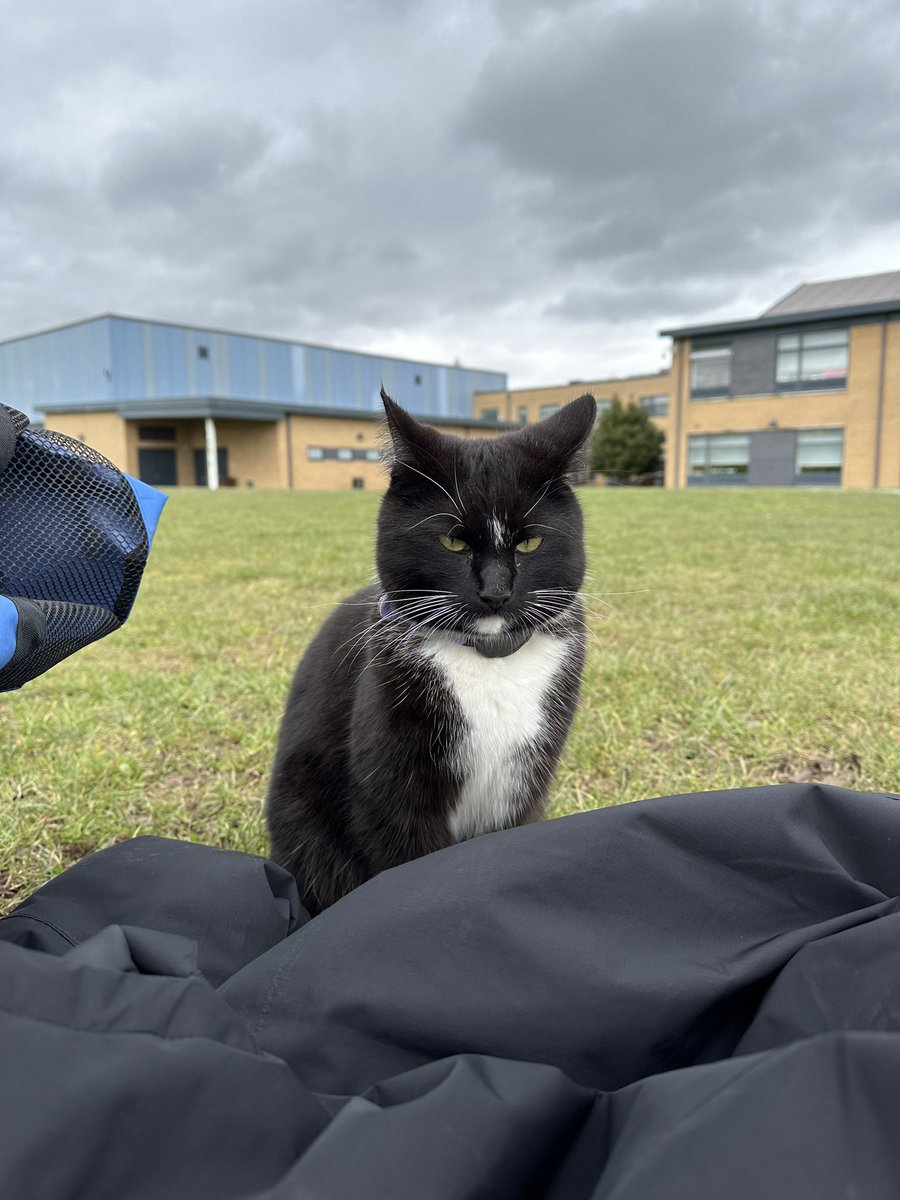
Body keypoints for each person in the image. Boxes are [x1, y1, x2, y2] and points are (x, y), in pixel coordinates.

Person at [2, 403, 899, 1199]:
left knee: (516, 808)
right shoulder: (393, 643)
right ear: (404, 518)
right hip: (352, 864)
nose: (499, 583)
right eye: (463, 548)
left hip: (473, 879)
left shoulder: (555, 633)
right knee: (406, 816)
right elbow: (385, 811)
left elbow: (519, 796)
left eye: (531, 547)